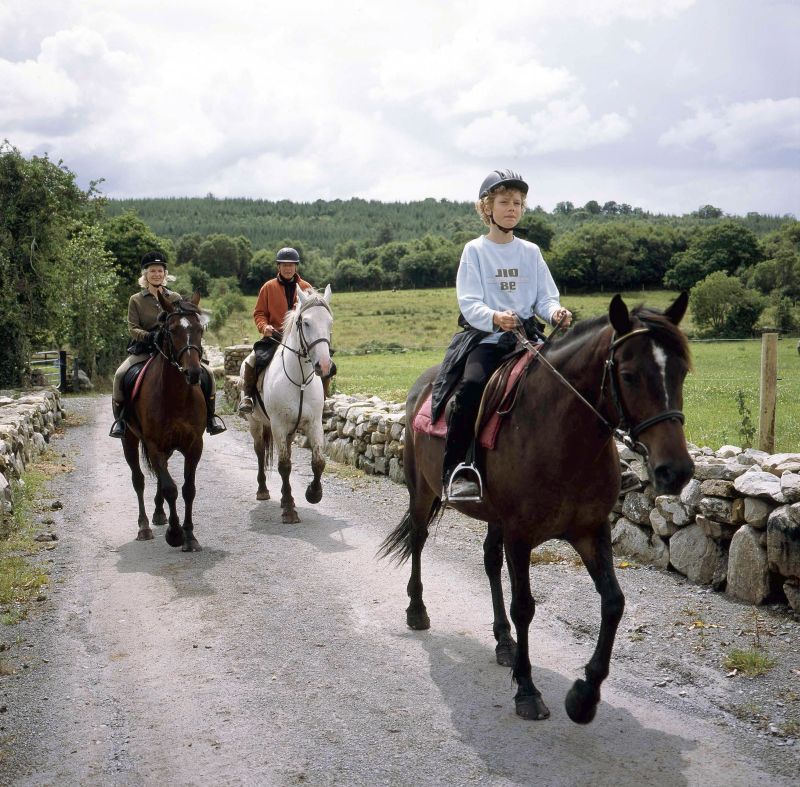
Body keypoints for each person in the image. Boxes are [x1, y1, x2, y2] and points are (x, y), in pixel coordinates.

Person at [432, 169, 572, 502]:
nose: (513, 208)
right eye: (505, 201)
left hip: (530, 340)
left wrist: (555, 312)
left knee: (569, 385)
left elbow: (545, 298)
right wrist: (494, 317)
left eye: (518, 203)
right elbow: (468, 303)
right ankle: (457, 471)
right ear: (487, 208)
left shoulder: (531, 252)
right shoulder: (475, 251)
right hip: (488, 340)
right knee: (470, 389)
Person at [109, 251, 227, 438]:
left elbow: (185, 322)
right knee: (120, 375)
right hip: (146, 348)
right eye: (152, 271)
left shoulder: (175, 297)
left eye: (160, 271)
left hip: (173, 348)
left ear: (165, 274)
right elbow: (133, 328)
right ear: (145, 274)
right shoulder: (136, 300)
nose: (156, 274)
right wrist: (149, 337)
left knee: (209, 373)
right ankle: (121, 422)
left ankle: (211, 418)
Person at [237, 247, 313, 414]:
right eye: (284, 265)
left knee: (324, 361)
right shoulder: (268, 287)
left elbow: (312, 313)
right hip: (274, 338)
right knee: (252, 359)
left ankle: (324, 400)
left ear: (296, 267)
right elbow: (259, 313)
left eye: (291, 265)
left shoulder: (306, 287)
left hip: (300, 340)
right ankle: (248, 397)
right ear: (278, 267)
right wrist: (264, 327)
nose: (288, 268)